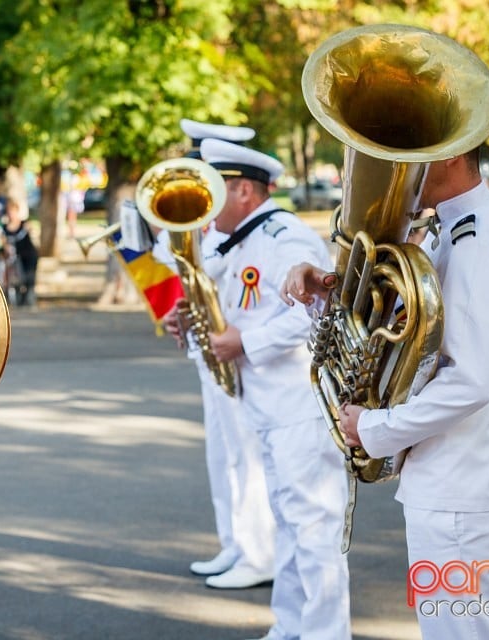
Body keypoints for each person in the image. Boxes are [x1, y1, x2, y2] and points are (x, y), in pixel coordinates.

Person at [282, 146, 489, 640]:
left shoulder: (474, 242)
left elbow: (470, 381)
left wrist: (374, 427)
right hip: (453, 489)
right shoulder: (454, 233)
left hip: (459, 494)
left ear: (451, 156)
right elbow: (405, 340)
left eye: (413, 153)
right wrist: (331, 301)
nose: (401, 168)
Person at [193, 138, 351, 639]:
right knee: (288, 523)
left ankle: (325, 633)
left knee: (312, 530)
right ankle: (290, 626)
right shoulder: (241, 238)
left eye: (213, 190)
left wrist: (245, 340)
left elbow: (316, 311)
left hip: (299, 406)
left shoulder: (286, 235)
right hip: (270, 405)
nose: (205, 204)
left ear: (242, 190)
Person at [157, 118, 277, 591]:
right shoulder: (216, 225)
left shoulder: (260, 231)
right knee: (223, 454)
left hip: (242, 355)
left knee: (245, 454)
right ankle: (235, 542)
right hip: (213, 349)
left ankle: (257, 551)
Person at [3, 198, 39, 307]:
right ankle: (19, 297)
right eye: (10, 212)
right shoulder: (5, 228)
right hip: (15, 257)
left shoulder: (24, 224)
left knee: (29, 277)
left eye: (13, 211)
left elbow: (33, 233)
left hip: (28, 254)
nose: (12, 214)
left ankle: (29, 297)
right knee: (18, 278)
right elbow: (3, 240)